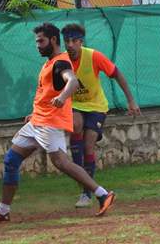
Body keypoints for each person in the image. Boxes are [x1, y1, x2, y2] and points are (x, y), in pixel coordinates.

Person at [0, 23, 115, 222]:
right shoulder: (49, 63)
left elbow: (73, 81)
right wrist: (33, 114)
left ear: (52, 40)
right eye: (36, 42)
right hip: (37, 122)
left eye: (41, 41)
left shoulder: (60, 62)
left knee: (62, 163)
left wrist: (62, 98)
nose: (37, 45)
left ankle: (103, 194)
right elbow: (45, 93)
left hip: (50, 123)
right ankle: (3, 210)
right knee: (11, 160)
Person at [61, 23, 141, 208]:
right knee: (75, 124)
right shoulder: (61, 60)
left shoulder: (94, 56)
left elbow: (116, 73)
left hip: (97, 106)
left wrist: (131, 100)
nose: (70, 45)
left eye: (74, 41)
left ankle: (86, 192)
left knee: (89, 145)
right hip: (76, 105)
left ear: (81, 42)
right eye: (67, 41)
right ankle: (81, 180)